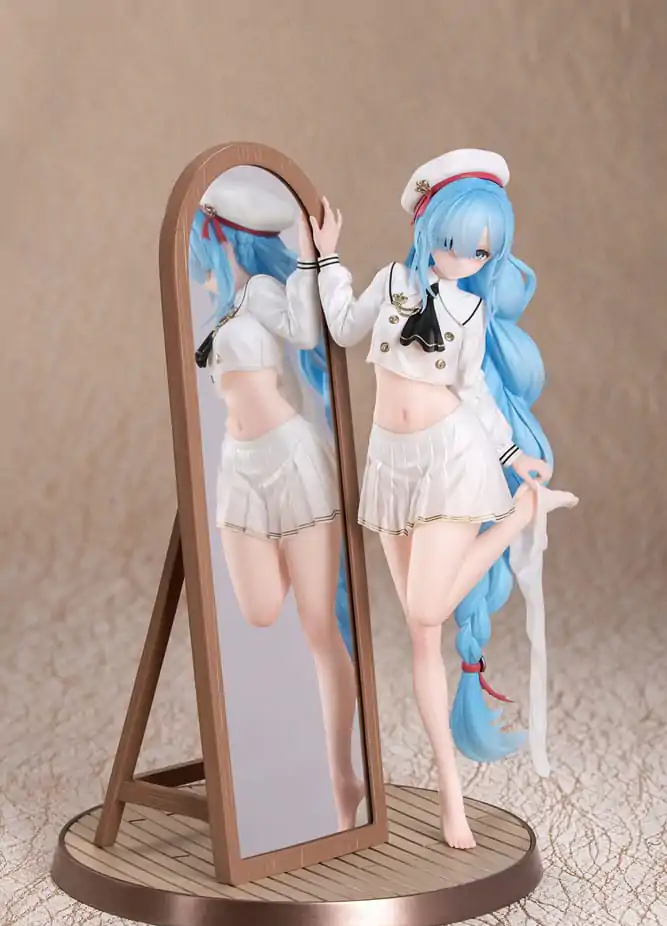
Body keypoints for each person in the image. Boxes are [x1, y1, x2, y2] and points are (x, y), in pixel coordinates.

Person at [310, 149, 578, 848]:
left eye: (480, 251)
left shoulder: (471, 309)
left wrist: (512, 458)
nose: (464, 259)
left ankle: (518, 516)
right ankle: (450, 798)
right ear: (427, 226)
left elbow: (475, 392)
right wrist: (327, 259)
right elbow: (342, 325)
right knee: (419, 631)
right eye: (456, 242)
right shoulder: (391, 282)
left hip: (451, 459)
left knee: (427, 608)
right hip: (389, 463)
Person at [190, 175, 365, 830]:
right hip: (239, 469)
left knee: (319, 626)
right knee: (260, 610)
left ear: (220, 237)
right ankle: (279, 755)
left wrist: (313, 256)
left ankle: (341, 773)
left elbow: (305, 328)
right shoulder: (221, 307)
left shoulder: (262, 292)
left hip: (291, 461)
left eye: (203, 238)